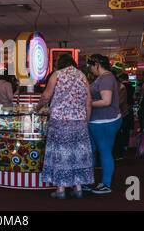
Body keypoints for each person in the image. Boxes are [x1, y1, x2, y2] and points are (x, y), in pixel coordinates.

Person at [35, 54, 93, 200]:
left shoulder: (57, 75)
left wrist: (37, 107)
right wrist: (86, 120)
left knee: (60, 154)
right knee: (77, 154)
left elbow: (46, 96)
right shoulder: (82, 76)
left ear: (59, 64)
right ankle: (78, 188)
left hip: (60, 121)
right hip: (79, 121)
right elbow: (88, 101)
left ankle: (60, 190)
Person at [86, 54, 122, 194]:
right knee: (93, 151)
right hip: (99, 121)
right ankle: (90, 180)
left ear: (96, 64)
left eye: (91, 66)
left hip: (106, 121)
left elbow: (106, 101)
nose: (90, 69)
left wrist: (87, 104)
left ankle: (106, 184)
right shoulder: (102, 78)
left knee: (104, 151)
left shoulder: (107, 78)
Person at [112, 70, 129, 160]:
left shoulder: (121, 87)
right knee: (115, 135)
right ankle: (116, 153)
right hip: (114, 114)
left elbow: (120, 102)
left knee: (118, 135)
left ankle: (118, 153)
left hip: (121, 114)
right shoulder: (112, 86)